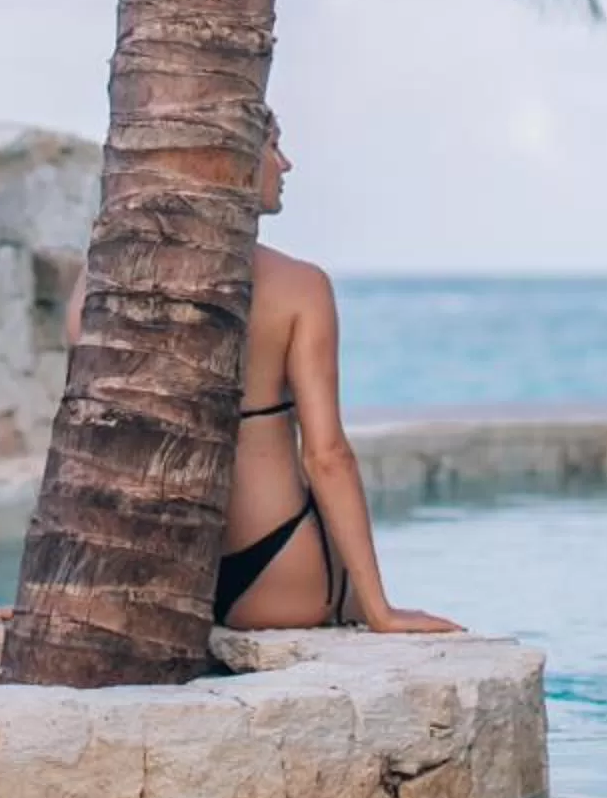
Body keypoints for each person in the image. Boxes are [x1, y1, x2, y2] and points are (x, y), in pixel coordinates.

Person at [66, 116, 461, 634]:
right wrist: (380, 609)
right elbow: (326, 456)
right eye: (273, 145)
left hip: (153, 571)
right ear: (234, 163)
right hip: (277, 567)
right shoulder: (300, 286)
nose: (286, 163)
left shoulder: (106, 277)